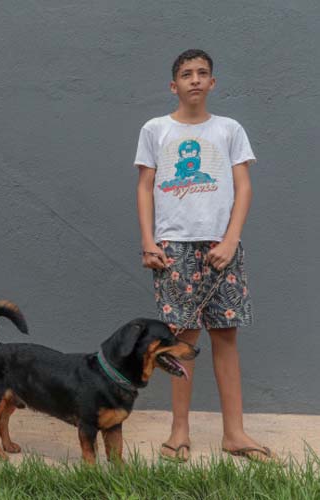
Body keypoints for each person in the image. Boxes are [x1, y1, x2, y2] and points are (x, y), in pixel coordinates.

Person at [135, 49, 274, 462]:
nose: (194, 79)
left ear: (212, 83)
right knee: (181, 340)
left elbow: (243, 187)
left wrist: (231, 240)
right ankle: (179, 431)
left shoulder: (229, 129)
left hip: (220, 247)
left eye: (202, 73)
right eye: (186, 74)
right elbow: (145, 187)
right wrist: (149, 241)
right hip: (173, 248)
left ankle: (235, 432)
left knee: (226, 337)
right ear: (173, 85)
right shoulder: (156, 129)